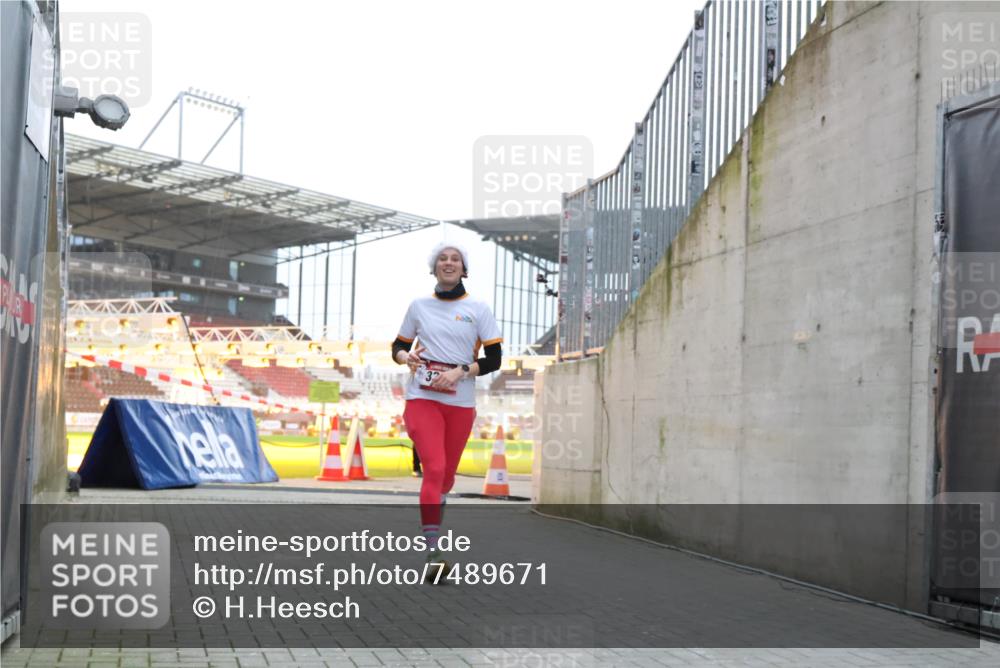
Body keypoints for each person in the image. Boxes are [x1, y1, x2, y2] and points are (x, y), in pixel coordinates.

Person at [392, 242, 503, 581]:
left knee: (447, 479)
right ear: (434, 268)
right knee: (435, 469)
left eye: (456, 259)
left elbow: (495, 360)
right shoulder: (418, 305)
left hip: (460, 403)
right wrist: (405, 358)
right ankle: (434, 552)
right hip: (422, 399)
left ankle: (434, 534)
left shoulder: (478, 309)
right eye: (443, 258)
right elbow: (398, 346)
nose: (449, 263)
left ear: (463, 269)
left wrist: (460, 371)